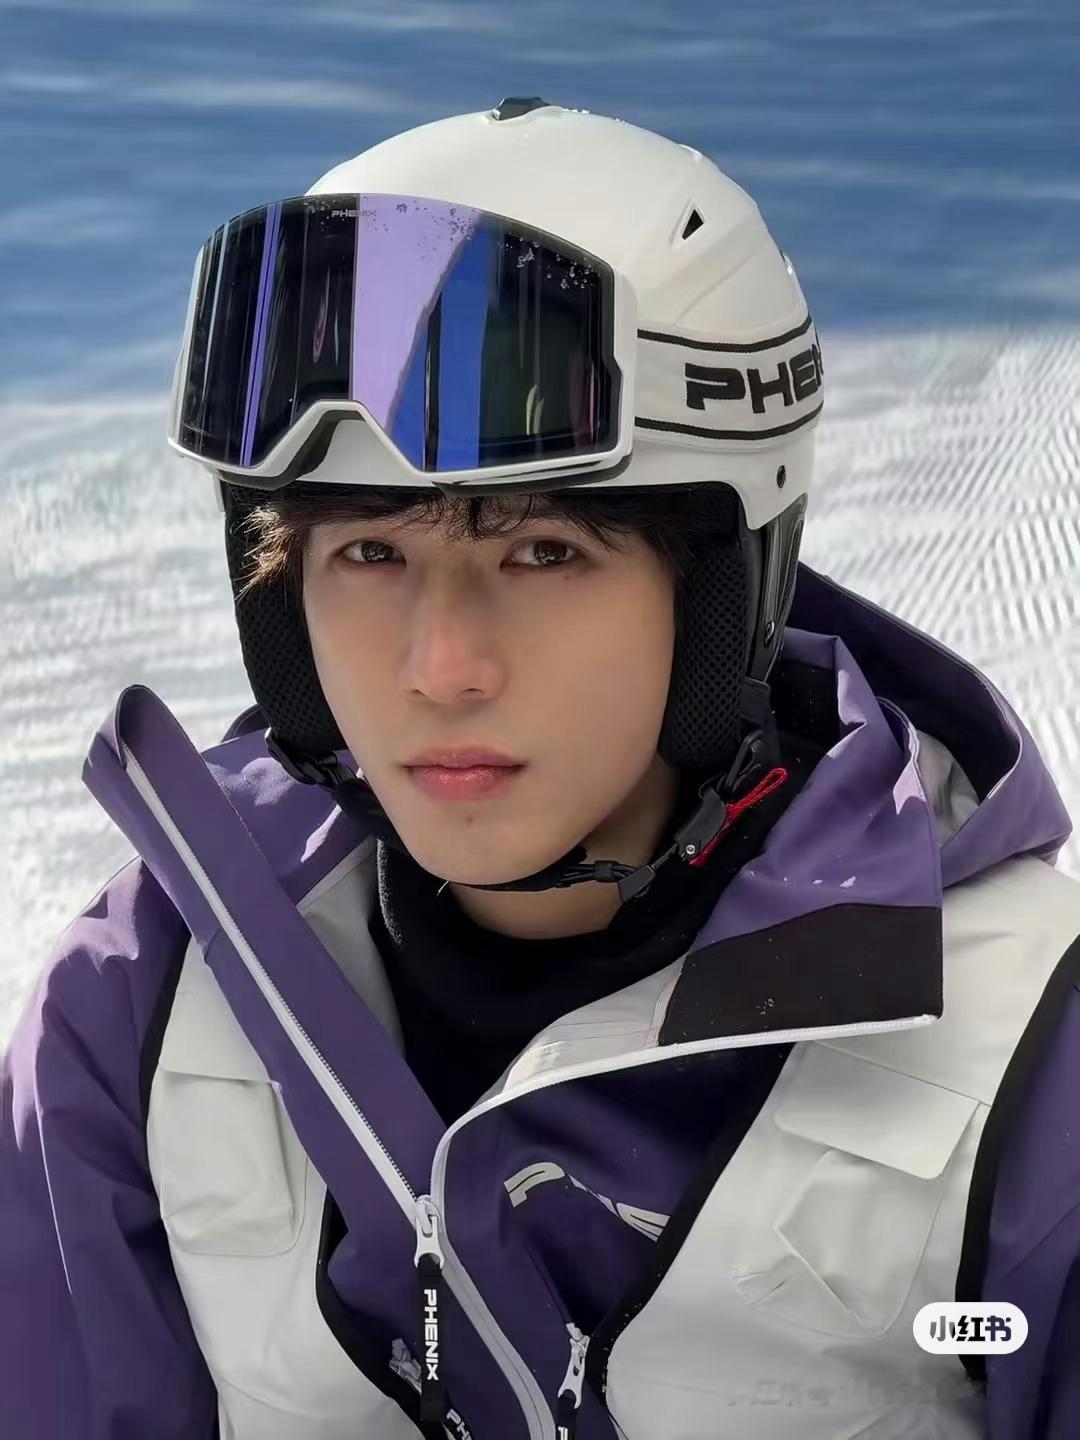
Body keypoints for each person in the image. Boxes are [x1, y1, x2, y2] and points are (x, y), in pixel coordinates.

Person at [2, 98, 1078, 1440]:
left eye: (543, 553)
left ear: (720, 597)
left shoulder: (1029, 1045)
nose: (442, 667)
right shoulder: (148, 995)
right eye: (369, 554)